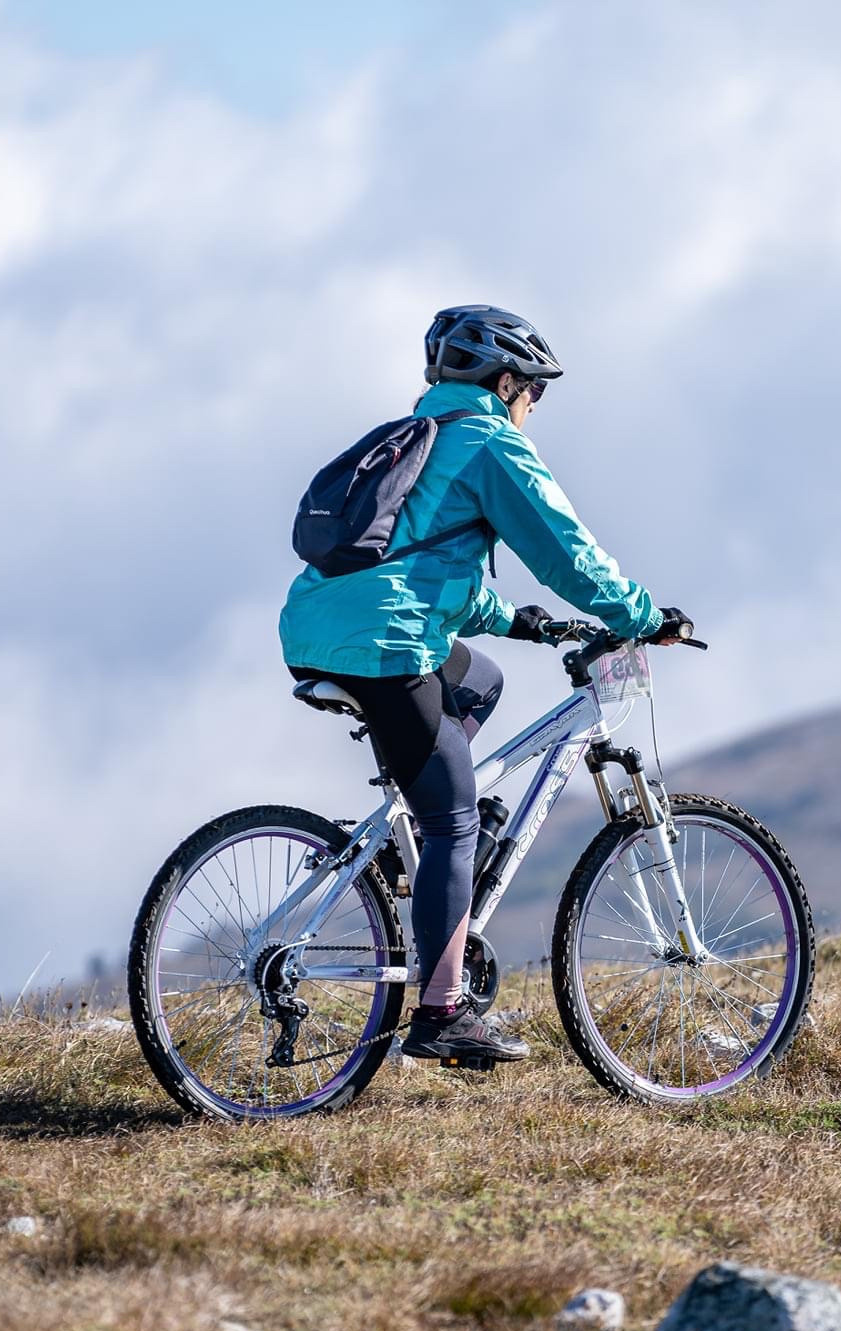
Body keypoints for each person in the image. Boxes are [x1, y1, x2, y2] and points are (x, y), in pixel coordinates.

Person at [280, 305, 692, 1066]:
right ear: (506, 383)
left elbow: (415, 566)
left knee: (481, 680)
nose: (533, 407)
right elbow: (566, 551)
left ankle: (413, 842)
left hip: (323, 629)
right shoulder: (490, 442)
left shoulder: (426, 437)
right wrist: (639, 614)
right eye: (534, 391)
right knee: (455, 819)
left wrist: (521, 622)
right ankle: (441, 1013)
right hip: (386, 644)